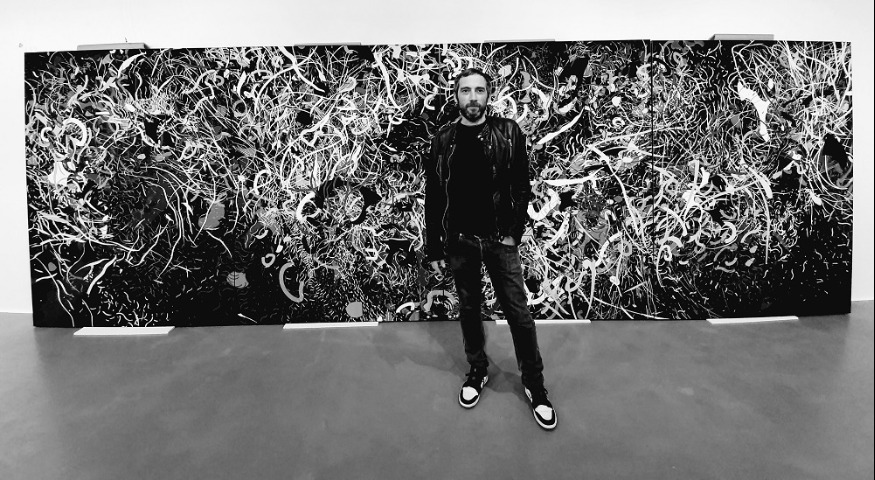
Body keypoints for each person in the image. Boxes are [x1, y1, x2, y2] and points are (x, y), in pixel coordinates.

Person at [424, 67, 557, 430]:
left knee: (519, 314)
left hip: (500, 240)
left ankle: (535, 384)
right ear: (456, 96)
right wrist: (433, 248)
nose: (473, 97)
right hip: (460, 242)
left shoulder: (508, 132)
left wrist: (513, 233)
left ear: (488, 95)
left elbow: (521, 186)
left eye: (479, 90)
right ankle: (477, 369)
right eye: (466, 90)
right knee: (469, 310)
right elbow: (434, 197)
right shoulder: (443, 139)